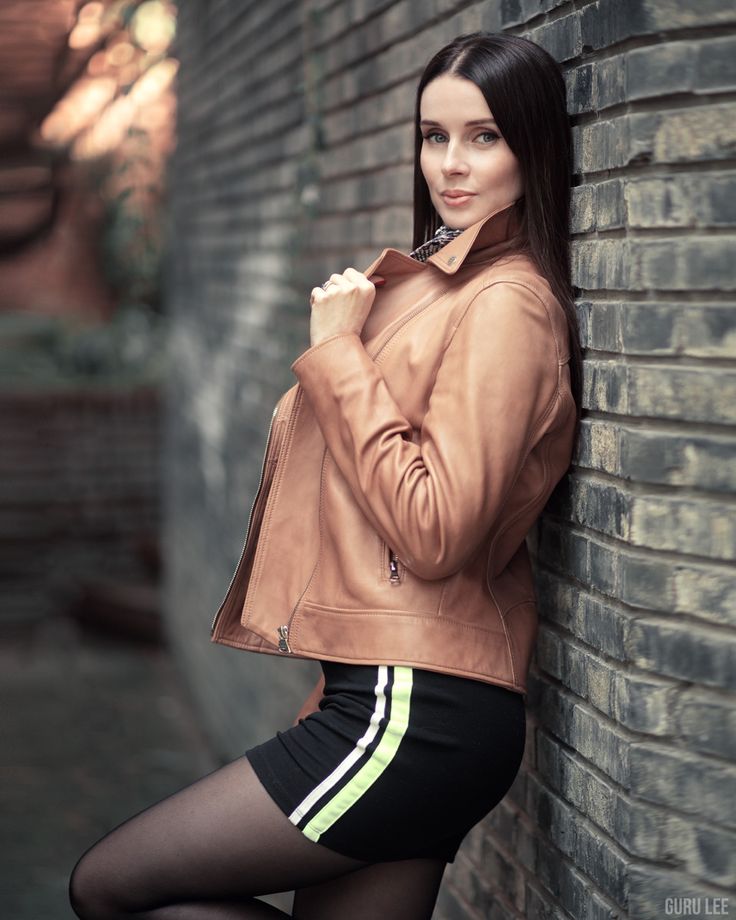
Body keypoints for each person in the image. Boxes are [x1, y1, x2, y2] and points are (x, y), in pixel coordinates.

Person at [68, 30, 582, 920]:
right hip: (397, 697)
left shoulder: (509, 306)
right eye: (434, 136)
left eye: (485, 136)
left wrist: (339, 353)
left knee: (109, 887)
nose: (451, 165)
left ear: (533, 146)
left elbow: (435, 530)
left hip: (416, 708)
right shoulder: (445, 289)